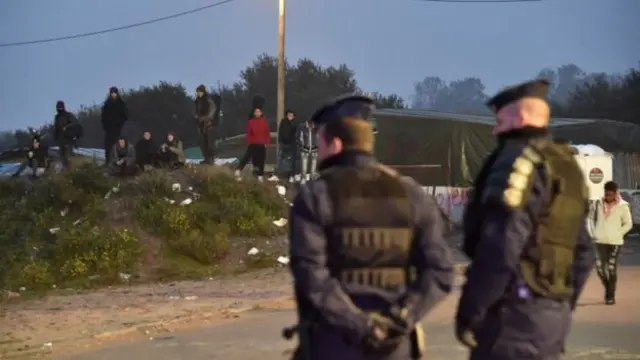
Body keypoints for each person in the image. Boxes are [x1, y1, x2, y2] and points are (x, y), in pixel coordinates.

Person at [286, 94, 454, 360]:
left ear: (336, 144)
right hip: (395, 345)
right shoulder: (410, 193)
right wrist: (402, 318)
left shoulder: (316, 195)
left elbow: (311, 276)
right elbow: (441, 270)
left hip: (335, 342)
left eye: (320, 142)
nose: (317, 150)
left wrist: (362, 327)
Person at [457, 79, 596, 359]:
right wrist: (561, 305)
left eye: (500, 119)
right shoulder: (567, 167)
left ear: (519, 117)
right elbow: (584, 252)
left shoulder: (517, 160)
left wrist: (472, 309)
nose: (495, 129)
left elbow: (502, 246)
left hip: (511, 318)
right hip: (551, 320)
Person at [589, 180, 632, 305]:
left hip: (615, 242)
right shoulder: (597, 203)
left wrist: (619, 233)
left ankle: (610, 296)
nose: (608, 197)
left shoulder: (623, 205)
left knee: (611, 269)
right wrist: (592, 233)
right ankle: (608, 287)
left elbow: (628, 223)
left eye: (611, 195)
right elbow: (590, 218)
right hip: (599, 240)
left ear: (615, 193)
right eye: (606, 194)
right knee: (599, 269)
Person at [235, 107, 270, 181]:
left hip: (261, 144)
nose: (257, 113)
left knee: (261, 160)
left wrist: (266, 143)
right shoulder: (251, 122)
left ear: (261, 113)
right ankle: (238, 170)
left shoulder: (264, 122)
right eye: (256, 112)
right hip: (253, 143)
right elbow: (249, 133)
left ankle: (260, 175)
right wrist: (249, 141)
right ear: (254, 113)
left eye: (259, 112)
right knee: (247, 157)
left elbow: (267, 133)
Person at [101, 87, 128, 164]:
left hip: (117, 129)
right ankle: (108, 161)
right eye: (112, 93)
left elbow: (125, 116)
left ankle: (117, 161)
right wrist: (105, 125)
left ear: (117, 93)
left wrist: (120, 124)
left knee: (117, 145)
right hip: (108, 129)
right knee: (108, 146)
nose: (113, 94)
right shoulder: (107, 103)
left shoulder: (121, 103)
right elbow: (103, 116)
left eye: (114, 93)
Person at [194, 85, 217, 164]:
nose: (198, 93)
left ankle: (211, 159)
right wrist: (196, 116)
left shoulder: (208, 100)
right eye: (197, 92)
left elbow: (212, 111)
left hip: (208, 124)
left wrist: (205, 118)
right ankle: (206, 158)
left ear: (203, 92)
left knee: (210, 143)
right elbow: (197, 112)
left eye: (200, 92)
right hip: (200, 124)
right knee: (202, 143)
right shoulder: (197, 101)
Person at [53, 100, 78, 169]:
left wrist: (66, 127)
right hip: (61, 139)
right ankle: (65, 170)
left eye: (60, 107)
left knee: (68, 155)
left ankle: (70, 170)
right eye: (58, 108)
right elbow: (56, 128)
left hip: (68, 138)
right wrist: (55, 136)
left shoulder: (68, 115)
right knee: (62, 156)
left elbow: (75, 123)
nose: (59, 109)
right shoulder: (57, 117)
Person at [278, 109, 298, 182]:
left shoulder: (295, 123)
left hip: (292, 144)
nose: (290, 116)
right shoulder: (283, 121)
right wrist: (281, 141)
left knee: (292, 160)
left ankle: (292, 175)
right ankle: (276, 174)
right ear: (287, 115)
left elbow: (296, 133)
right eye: (289, 115)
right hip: (284, 143)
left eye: (292, 115)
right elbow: (281, 132)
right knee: (280, 159)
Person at [297, 118, 319, 183]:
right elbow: (299, 137)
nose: (311, 124)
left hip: (314, 148)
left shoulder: (316, 128)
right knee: (304, 165)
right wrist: (301, 146)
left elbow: (318, 137)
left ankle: (312, 178)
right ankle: (303, 178)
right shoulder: (302, 127)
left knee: (313, 166)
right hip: (304, 149)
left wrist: (317, 146)